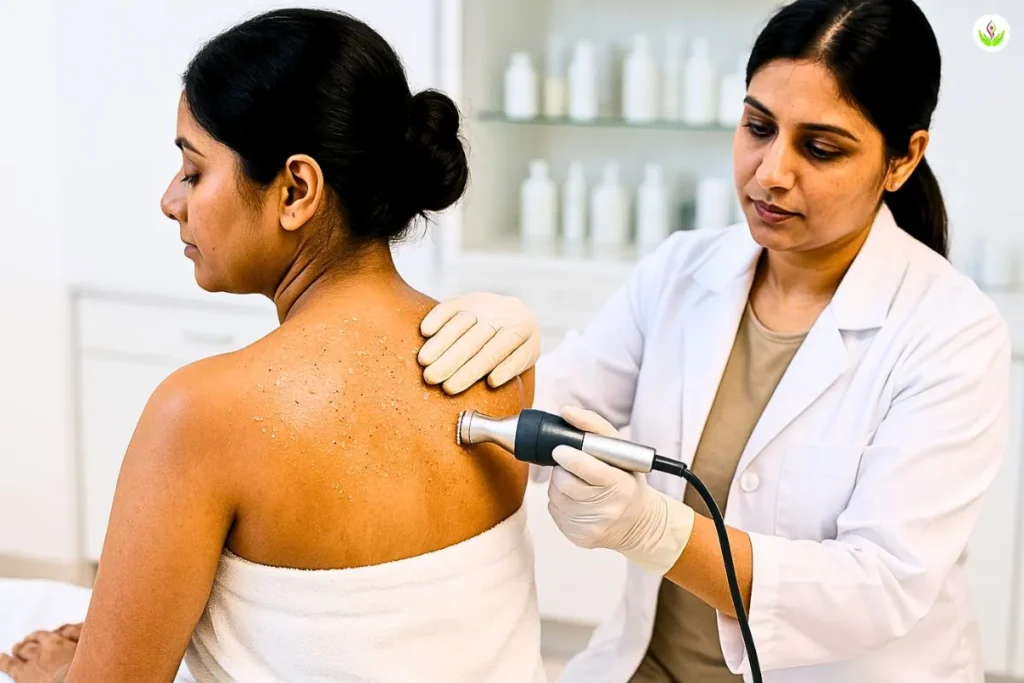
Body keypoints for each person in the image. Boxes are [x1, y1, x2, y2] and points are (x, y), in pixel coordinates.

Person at [417, 0, 1011, 681]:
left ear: (903, 158)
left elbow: (878, 584)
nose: (770, 172)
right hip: (654, 665)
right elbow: (557, 403)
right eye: (758, 126)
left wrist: (657, 529)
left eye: (820, 148)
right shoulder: (682, 271)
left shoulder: (951, 333)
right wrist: (501, 367)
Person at [0, 9, 544, 683]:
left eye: (194, 172)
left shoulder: (202, 414)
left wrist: (63, 672)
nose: (171, 201)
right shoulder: (495, 363)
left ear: (296, 190)